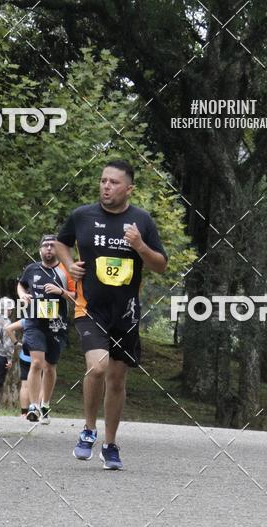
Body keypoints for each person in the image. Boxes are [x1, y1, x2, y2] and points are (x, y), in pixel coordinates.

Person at [55, 160, 168, 469]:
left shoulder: (141, 221)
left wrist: (140, 245)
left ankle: (110, 444)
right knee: (98, 367)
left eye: (113, 182)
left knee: (117, 380)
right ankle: (88, 430)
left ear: (128, 188)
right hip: (89, 306)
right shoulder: (82, 215)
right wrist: (69, 265)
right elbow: (60, 243)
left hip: (126, 312)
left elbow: (161, 264)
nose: (106, 186)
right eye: (103, 180)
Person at [17, 235, 76, 424]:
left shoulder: (66, 270)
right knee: (36, 363)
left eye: (52, 245)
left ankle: (45, 404)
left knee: (50, 367)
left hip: (57, 324)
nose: (49, 248)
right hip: (34, 322)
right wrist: (23, 295)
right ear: (40, 250)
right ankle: (33, 406)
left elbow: (77, 297)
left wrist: (61, 292)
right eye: (45, 245)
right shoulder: (31, 268)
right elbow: (21, 284)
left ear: (58, 250)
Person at [4, 318, 32, 417]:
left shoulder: (26, 320)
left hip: (25, 355)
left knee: (25, 385)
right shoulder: (44, 321)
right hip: (39, 356)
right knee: (39, 384)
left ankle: (24, 413)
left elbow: (8, 329)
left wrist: (16, 343)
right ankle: (37, 410)